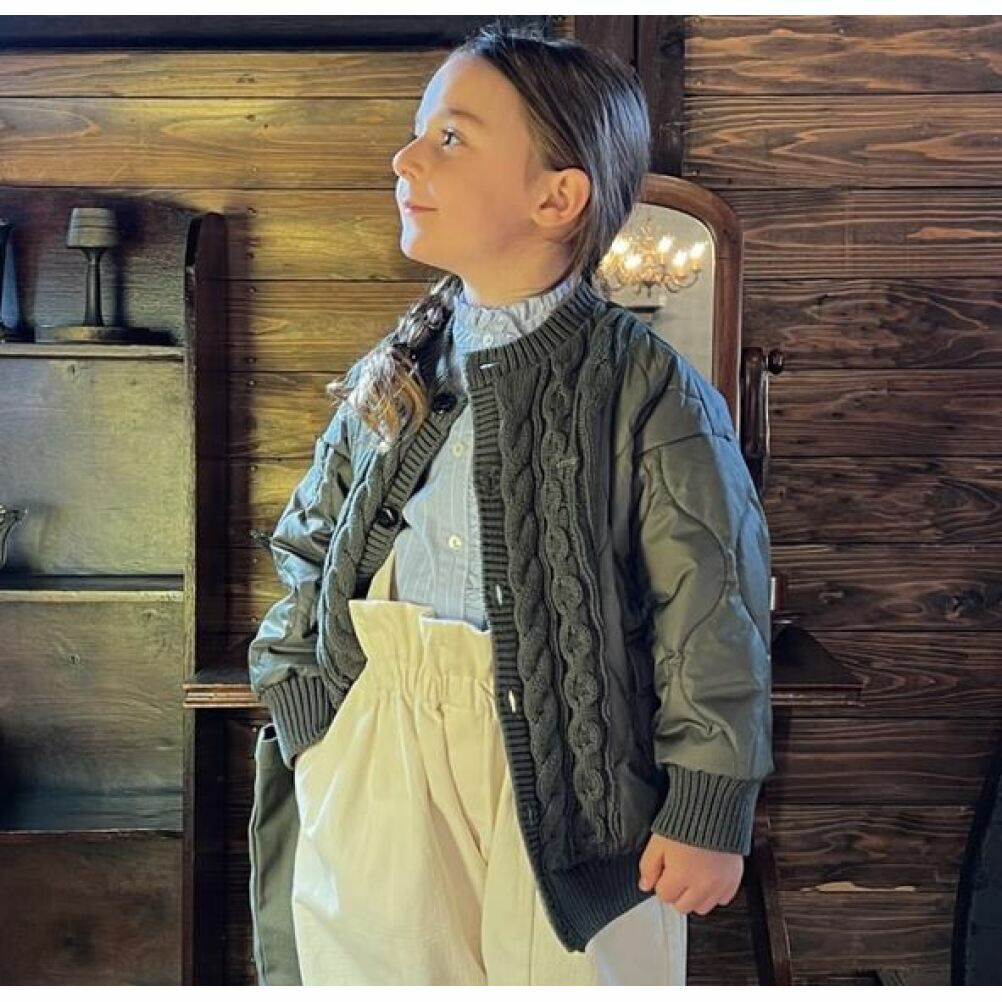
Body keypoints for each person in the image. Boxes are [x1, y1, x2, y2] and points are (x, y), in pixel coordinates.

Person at [246, 20, 774, 987]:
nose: (406, 158)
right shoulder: (398, 368)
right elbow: (309, 543)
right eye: (419, 132)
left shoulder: (648, 391)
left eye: (450, 137)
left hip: (580, 779)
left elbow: (712, 609)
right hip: (380, 745)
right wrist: (311, 712)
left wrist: (708, 806)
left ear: (556, 197)